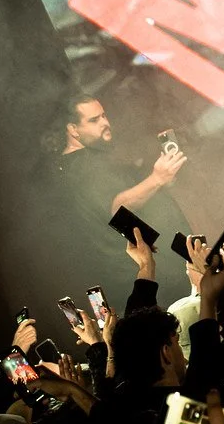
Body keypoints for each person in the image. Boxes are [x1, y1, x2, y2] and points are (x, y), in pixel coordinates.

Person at [54, 94, 190, 302]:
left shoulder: (87, 161)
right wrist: (157, 178)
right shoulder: (83, 167)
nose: (105, 123)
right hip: (155, 278)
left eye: (104, 116)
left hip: (157, 272)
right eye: (94, 120)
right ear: (73, 129)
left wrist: (162, 181)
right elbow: (117, 209)